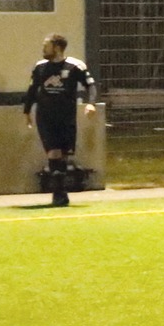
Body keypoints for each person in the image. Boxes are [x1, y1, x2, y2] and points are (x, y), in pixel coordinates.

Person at [23, 34, 98, 208]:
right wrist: (27, 111)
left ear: (56, 47)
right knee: (54, 152)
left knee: (63, 155)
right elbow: (32, 90)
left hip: (66, 117)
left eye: (46, 45)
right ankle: (58, 195)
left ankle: (61, 193)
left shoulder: (75, 66)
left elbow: (90, 85)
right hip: (45, 117)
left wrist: (91, 103)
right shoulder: (40, 67)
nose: (43, 49)